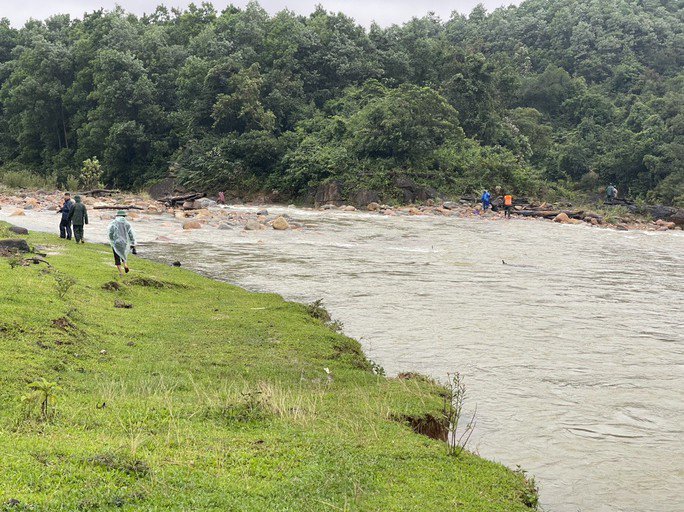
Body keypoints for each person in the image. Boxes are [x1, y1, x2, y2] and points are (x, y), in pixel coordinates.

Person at [108, 210, 136, 276]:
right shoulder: (127, 224)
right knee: (123, 255)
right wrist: (132, 242)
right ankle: (125, 265)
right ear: (124, 216)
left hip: (116, 242)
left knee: (117, 257)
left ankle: (121, 273)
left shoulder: (114, 223)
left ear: (117, 216)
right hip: (124, 242)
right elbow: (130, 234)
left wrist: (111, 240)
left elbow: (110, 233)